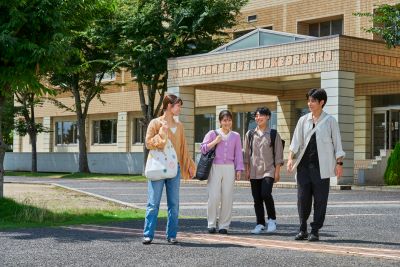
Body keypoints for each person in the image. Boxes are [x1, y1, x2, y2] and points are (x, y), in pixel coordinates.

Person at [287, 88, 345, 242]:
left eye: (313, 100)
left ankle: (315, 230)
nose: (309, 103)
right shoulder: (303, 120)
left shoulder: (330, 121)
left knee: (320, 199)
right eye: (309, 100)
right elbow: (295, 141)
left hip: (322, 167)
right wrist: (290, 158)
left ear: (322, 102)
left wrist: (339, 163)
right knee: (302, 198)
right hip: (303, 167)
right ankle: (302, 228)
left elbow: (337, 144)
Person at [142, 94, 196, 245]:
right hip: (157, 168)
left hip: (175, 169)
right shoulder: (155, 123)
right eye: (177, 105)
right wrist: (162, 133)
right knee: (153, 203)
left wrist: (189, 166)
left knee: (174, 203)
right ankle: (148, 234)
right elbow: (148, 143)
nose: (179, 108)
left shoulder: (179, 126)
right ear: (168, 106)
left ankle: (171, 235)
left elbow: (183, 148)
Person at [200, 110, 244, 234]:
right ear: (220, 121)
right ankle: (211, 224)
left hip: (229, 168)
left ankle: (224, 225)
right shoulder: (212, 133)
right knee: (213, 196)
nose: (227, 123)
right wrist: (215, 142)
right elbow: (202, 149)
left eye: (229, 120)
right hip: (215, 167)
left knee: (227, 197)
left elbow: (238, 154)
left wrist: (239, 169)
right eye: (224, 120)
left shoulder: (236, 136)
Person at [244, 107, 284, 235]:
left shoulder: (273, 134)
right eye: (256, 116)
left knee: (266, 194)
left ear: (268, 117)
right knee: (257, 199)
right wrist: (247, 170)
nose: (258, 118)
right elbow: (246, 154)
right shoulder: (250, 134)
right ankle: (260, 224)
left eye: (261, 115)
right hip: (254, 171)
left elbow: (278, 155)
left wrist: (277, 172)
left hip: (269, 170)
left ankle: (272, 220)